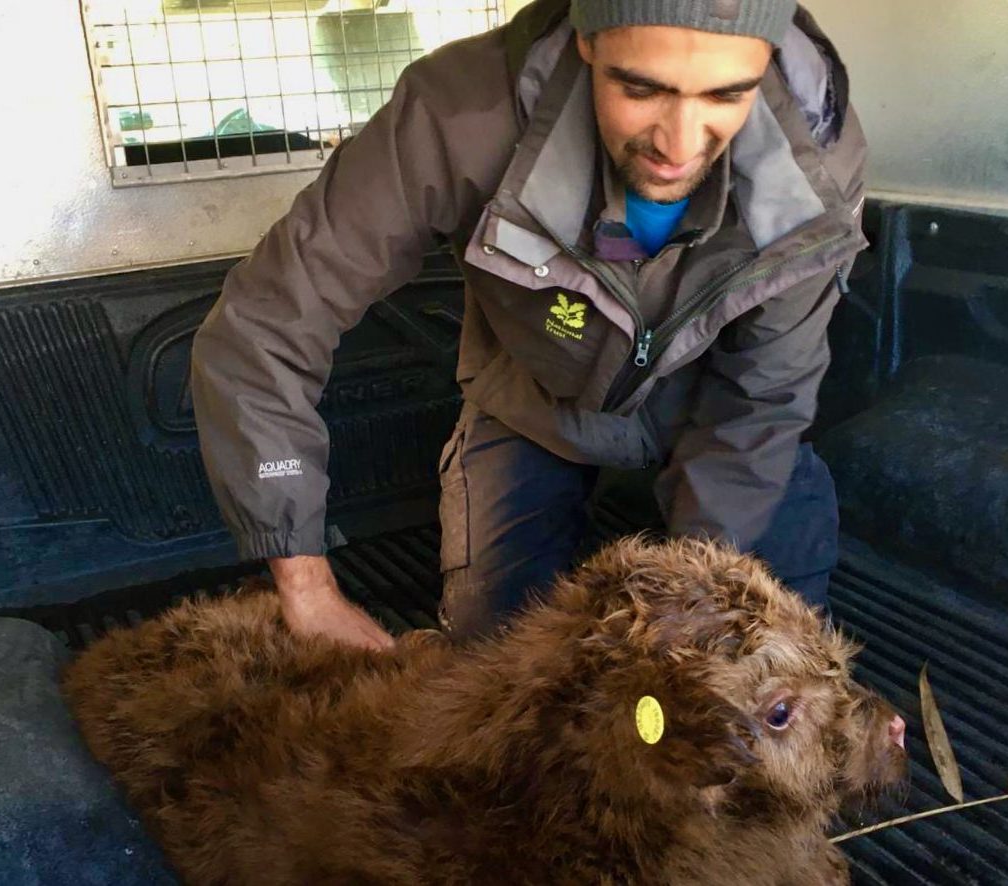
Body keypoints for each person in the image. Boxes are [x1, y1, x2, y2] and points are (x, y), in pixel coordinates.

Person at [190, 0, 869, 650]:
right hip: (532, 402)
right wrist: (305, 586)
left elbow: (763, 396)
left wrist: (687, 603)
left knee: (764, 659)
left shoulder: (815, 165)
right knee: (497, 664)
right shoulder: (457, 115)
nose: (679, 145)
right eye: (641, 87)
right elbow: (269, 319)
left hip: (720, 416)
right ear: (587, 40)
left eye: (727, 95)